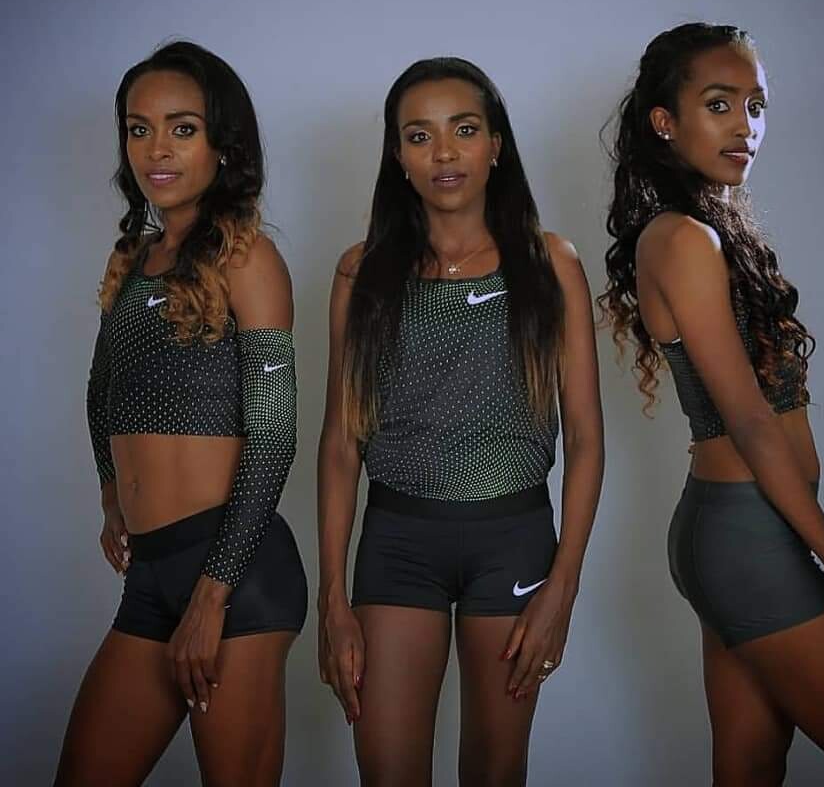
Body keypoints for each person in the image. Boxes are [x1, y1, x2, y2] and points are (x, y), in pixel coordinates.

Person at [599, 22, 824, 786]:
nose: (744, 125)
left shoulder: (707, 231)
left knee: (750, 769)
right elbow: (747, 420)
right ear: (665, 121)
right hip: (746, 538)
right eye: (719, 104)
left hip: (734, 533)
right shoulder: (684, 240)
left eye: (756, 105)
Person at [316, 57, 604, 786]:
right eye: (420, 136)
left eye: (464, 130)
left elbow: (586, 438)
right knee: (388, 773)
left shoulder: (549, 263)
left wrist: (563, 585)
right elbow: (341, 443)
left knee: (494, 774)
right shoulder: (360, 272)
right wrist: (333, 597)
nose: (443, 153)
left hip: (514, 543)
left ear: (496, 144)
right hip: (397, 542)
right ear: (398, 155)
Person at [55, 41, 307, 787]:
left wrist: (213, 591)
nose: (156, 149)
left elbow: (275, 436)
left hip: (236, 572)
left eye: (182, 128)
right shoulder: (134, 262)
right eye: (139, 129)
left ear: (222, 144)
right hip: (152, 574)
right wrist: (112, 491)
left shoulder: (247, 259)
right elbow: (101, 392)